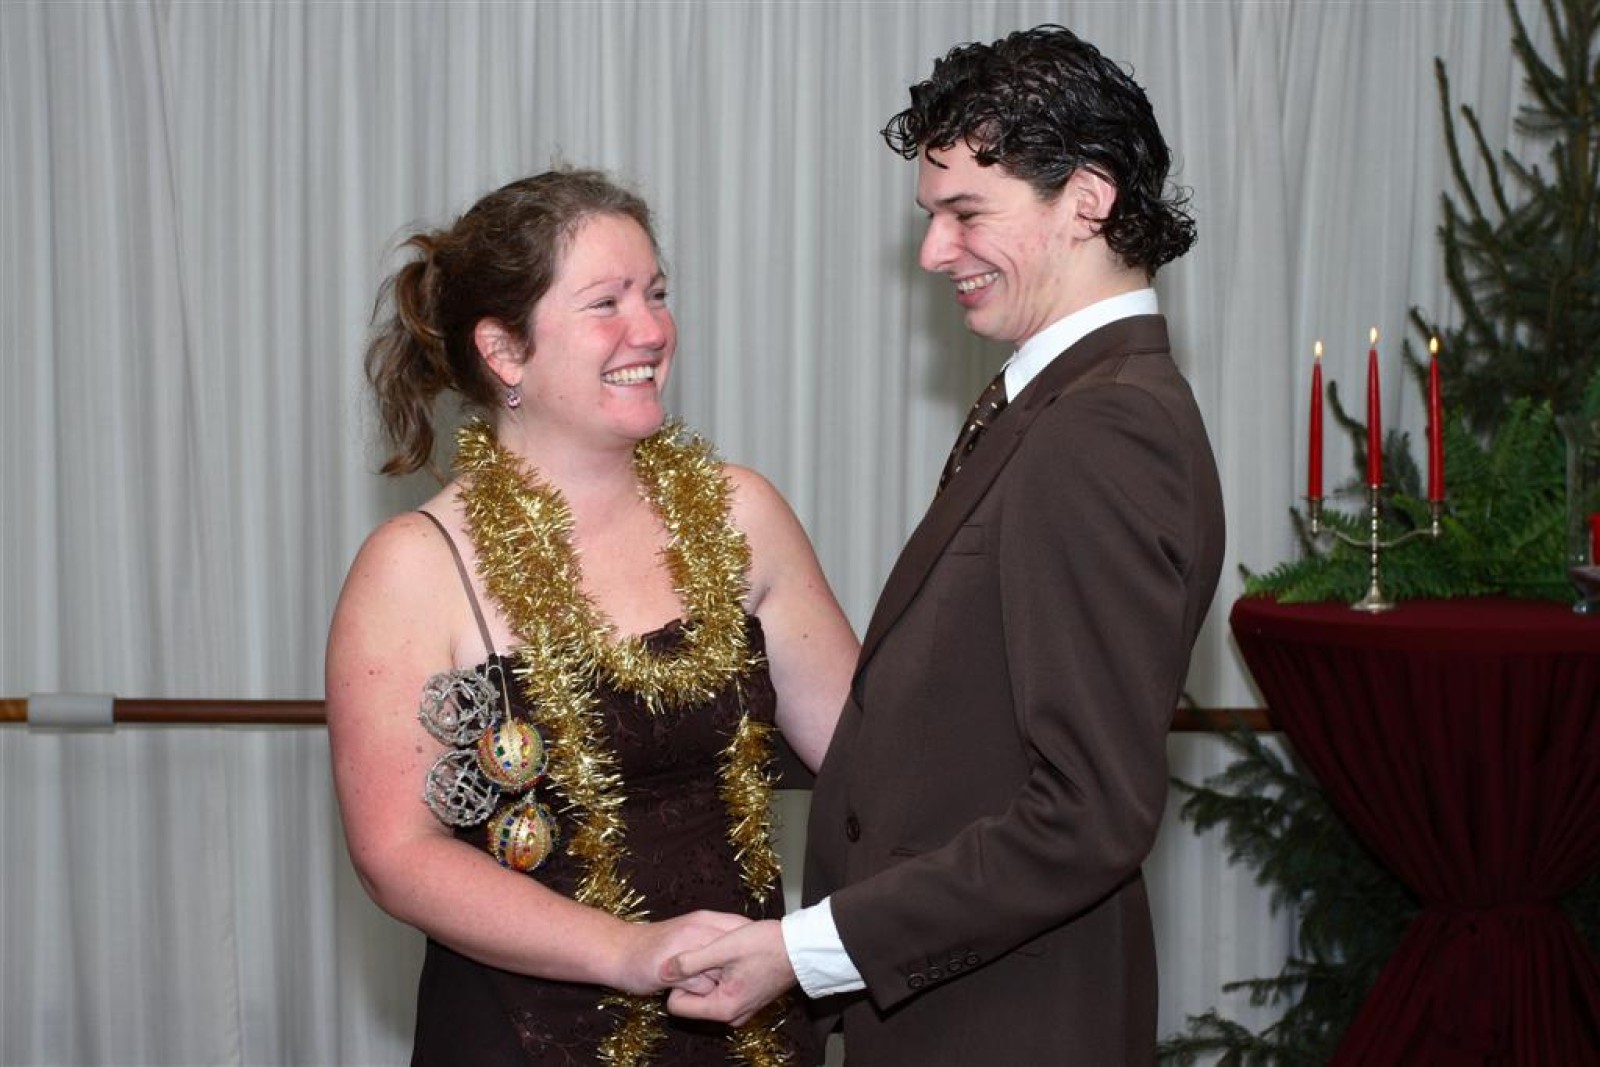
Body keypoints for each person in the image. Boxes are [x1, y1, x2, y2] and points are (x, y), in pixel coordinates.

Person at [664, 25, 1225, 1065]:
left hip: (1010, 1023)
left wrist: (804, 950)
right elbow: (952, 729)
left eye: (966, 213)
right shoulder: (1060, 400)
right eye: (932, 217)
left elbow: (1088, 814)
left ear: (1087, 199)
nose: (932, 253)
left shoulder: (1103, 427)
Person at [325, 167, 859, 1065]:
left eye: (657, 293)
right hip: (522, 1036)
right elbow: (398, 854)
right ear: (505, 350)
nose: (650, 329)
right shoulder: (413, 568)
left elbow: (871, 761)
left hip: (745, 1025)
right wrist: (628, 951)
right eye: (606, 302)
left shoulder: (743, 515)